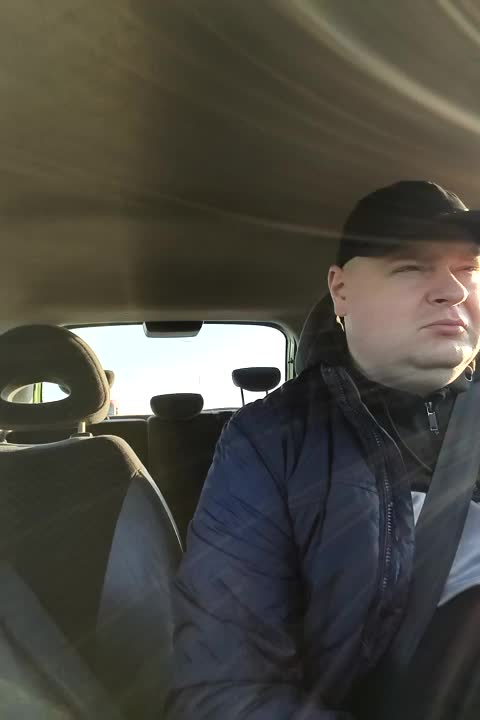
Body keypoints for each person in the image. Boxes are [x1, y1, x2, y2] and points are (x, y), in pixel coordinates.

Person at [165, 180, 480, 720]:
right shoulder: (271, 440)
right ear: (341, 291)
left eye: (469, 268)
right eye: (410, 266)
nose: (452, 290)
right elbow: (223, 689)